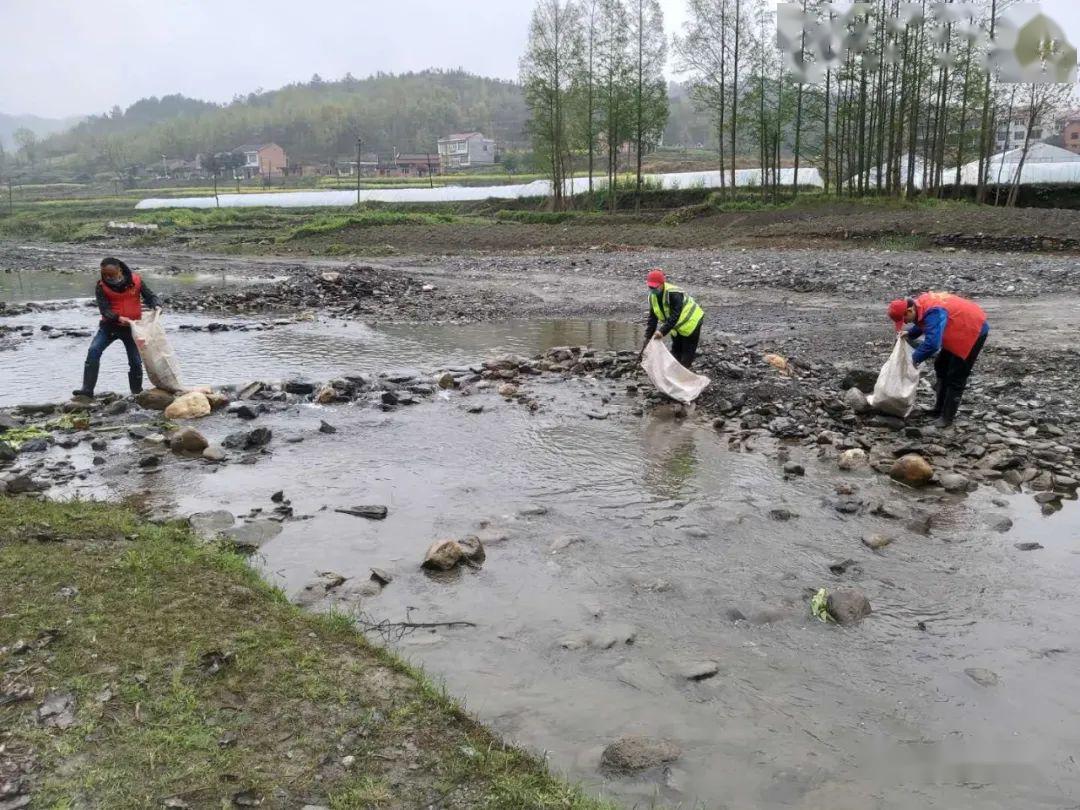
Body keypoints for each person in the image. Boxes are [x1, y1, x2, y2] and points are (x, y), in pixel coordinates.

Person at [887, 292, 989, 428]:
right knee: (941, 365)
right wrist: (911, 333)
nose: (906, 322)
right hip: (957, 328)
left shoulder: (933, 310)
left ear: (909, 310)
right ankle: (938, 409)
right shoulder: (920, 305)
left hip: (973, 330)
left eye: (905, 319)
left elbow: (933, 343)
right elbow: (925, 322)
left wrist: (915, 358)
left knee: (956, 375)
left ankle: (947, 418)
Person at [72, 257, 161, 399]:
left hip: (132, 329)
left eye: (111, 274)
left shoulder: (136, 281)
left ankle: (136, 393)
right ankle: (87, 390)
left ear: (119, 269)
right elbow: (105, 310)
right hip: (109, 327)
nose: (108, 277)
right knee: (94, 351)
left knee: (135, 361)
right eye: (105, 274)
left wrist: (156, 304)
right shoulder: (101, 286)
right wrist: (118, 318)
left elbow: (150, 296)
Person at [641, 268, 705, 369]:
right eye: (650, 287)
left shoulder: (674, 293)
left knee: (687, 353)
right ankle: (674, 372)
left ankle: (683, 376)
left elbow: (675, 315)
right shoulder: (652, 297)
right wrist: (647, 337)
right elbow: (652, 319)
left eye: (655, 287)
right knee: (676, 350)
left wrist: (662, 331)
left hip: (692, 322)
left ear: (662, 284)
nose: (653, 290)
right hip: (676, 326)